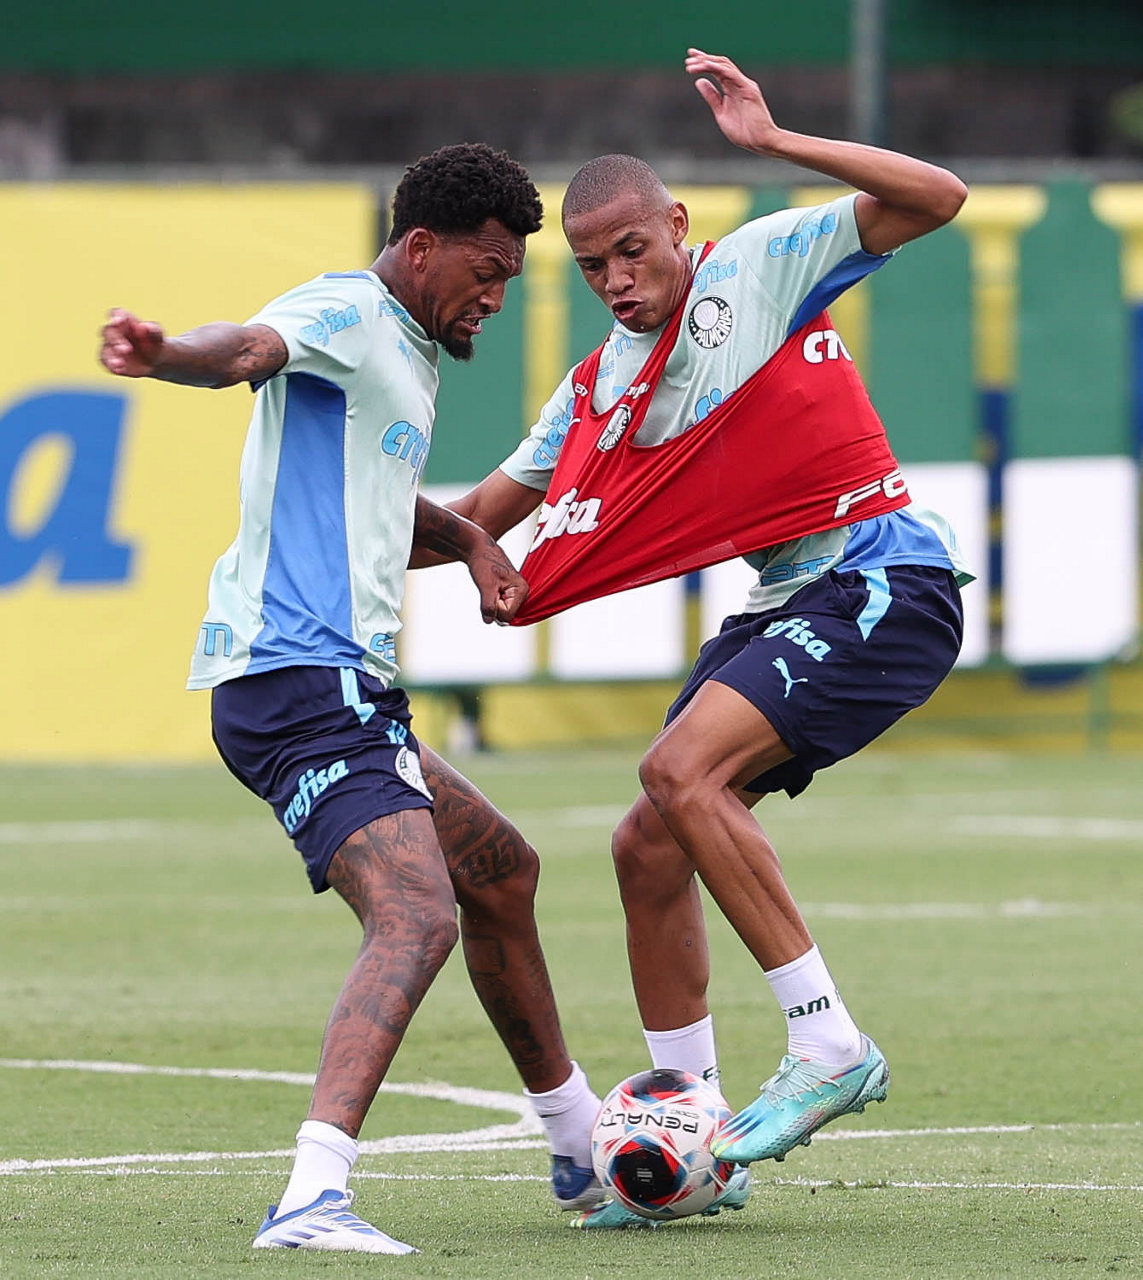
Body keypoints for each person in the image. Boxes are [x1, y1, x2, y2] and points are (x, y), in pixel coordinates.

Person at [416, 51, 971, 1227]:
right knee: (646, 843)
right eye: (592, 267)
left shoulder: (759, 265)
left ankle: (827, 1041)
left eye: (634, 250)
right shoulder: (598, 388)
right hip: (789, 600)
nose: (618, 280)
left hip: (883, 574)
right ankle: (698, 1128)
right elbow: (481, 515)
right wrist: (348, 543)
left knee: (680, 769)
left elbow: (939, 196)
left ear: (676, 226)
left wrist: (775, 144)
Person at [98, 143, 606, 1254]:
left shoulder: (405, 350)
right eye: (485, 269)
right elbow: (247, 348)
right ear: (419, 247)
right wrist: (165, 354)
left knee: (501, 871)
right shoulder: (346, 309)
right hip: (297, 682)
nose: (495, 295)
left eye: (509, 277)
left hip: (340, 687)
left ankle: (579, 1143)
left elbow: (375, 493)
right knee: (417, 913)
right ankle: (311, 1196)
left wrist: (469, 540)